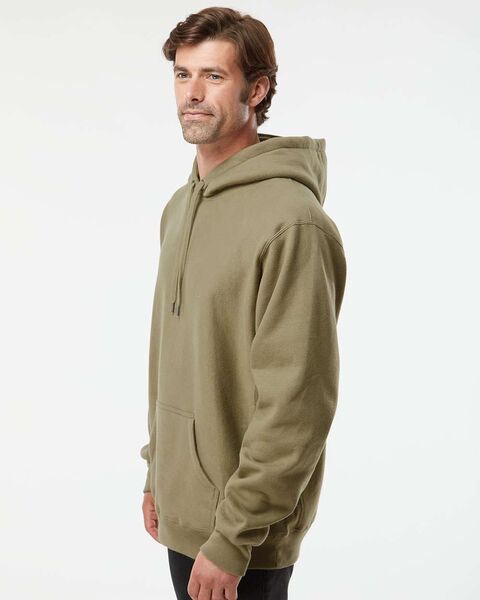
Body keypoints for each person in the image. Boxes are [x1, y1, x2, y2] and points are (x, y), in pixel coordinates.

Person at [140, 7, 347, 600]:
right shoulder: (181, 207)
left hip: (244, 538)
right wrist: (158, 470)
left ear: (256, 90)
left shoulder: (293, 223)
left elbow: (297, 403)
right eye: (183, 75)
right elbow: (174, 356)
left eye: (214, 76)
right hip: (183, 511)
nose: (192, 94)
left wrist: (233, 536)